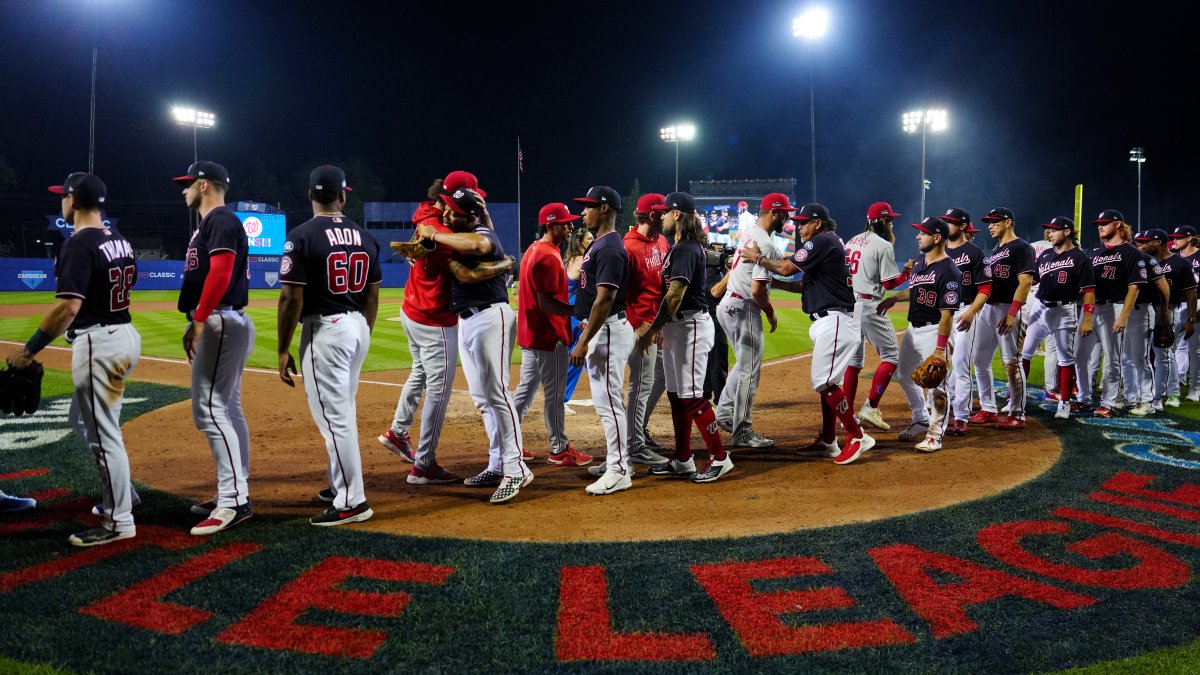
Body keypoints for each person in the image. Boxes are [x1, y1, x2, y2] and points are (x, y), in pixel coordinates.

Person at [6, 172, 140, 545]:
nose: (59, 201)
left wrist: (28, 350)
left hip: (99, 341)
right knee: (80, 420)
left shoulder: (79, 244)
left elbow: (67, 308)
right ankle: (125, 493)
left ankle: (119, 521)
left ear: (72, 200)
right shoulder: (120, 241)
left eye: (61, 196)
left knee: (103, 436)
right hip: (124, 334)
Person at [380, 171, 509, 475]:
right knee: (439, 392)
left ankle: (398, 432)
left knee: (420, 371)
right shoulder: (447, 236)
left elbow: (431, 225)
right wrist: (505, 263)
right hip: (435, 317)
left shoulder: (427, 212)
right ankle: (424, 464)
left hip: (411, 308)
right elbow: (470, 265)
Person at [276, 165, 381, 525]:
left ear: (309, 195)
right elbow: (372, 295)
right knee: (343, 412)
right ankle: (341, 486)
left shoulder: (301, 235)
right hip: (355, 327)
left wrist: (281, 348)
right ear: (343, 196)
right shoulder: (364, 236)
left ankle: (353, 501)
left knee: (335, 420)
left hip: (325, 329)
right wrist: (362, 331)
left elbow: (291, 299)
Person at [416, 186, 526, 504]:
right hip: (467, 320)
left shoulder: (481, 232)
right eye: (446, 210)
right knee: (482, 399)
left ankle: (516, 469)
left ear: (470, 216)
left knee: (498, 394)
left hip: (491, 317)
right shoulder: (458, 229)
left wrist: (434, 237)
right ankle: (497, 464)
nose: (446, 215)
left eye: (453, 212)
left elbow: (479, 244)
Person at [744, 203, 874, 464]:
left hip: (835, 319)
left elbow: (786, 268)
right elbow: (803, 284)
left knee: (823, 382)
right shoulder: (830, 242)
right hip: (834, 319)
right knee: (827, 382)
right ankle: (828, 440)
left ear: (818, 223)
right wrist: (776, 283)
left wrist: (757, 259)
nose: (799, 227)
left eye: (804, 222)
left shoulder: (822, 240)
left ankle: (857, 435)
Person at [174, 161, 256, 536]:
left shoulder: (220, 220)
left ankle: (233, 501)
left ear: (204, 185)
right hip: (224, 318)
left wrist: (199, 320)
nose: (183, 190)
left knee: (208, 411)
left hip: (220, 319)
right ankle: (236, 489)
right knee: (227, 408)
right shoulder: (214, 222)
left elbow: (220, 272)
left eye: (188, 184)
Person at [637, 191, 731, 482]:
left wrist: (652, 329)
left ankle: (720, 457)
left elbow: (676, 295)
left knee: (692, 396)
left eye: (665, 212)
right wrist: (663, 327)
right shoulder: (681, 246)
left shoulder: (687, 248)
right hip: (677, 328)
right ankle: (682, 458)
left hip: (690, 326)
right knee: (678, 396)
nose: (661, 216)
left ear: (677, 214)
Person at [511, 203, 593, 466]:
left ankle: (507, 441)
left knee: (525, 391)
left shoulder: (534, 250)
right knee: (555, 395)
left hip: (530, 335)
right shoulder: (548, 256)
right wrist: (575, 309)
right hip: (547, 335)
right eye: (565, 223)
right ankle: (559, 448)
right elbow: (546, 303)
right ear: (550, 225)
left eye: (570, 223)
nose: (570, 227)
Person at [714, 193, 796, 448]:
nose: (788, 218)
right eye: (785, 213)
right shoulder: (767, 245)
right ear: (775, 213)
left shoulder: (749, 232)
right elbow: (758, 290)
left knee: (742, 365)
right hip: (744, 308)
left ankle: (725, 413)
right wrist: (770, 313)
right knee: (750, 371)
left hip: (727, 304)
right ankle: (743, 431)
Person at [570, 186, 637, 495]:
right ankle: (618, 460)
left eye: (589, 207)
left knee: (608, 402)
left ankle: (619, 469)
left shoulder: (609, 247)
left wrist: (583, 340)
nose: (584, 212)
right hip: (604, 329)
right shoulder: (600, 244)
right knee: (608, 401)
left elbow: (605, 299)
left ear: (605, 209)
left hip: (606, 330)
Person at [875, 217, 962, 451]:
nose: (917, 236)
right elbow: (916, 292)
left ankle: (935, 434)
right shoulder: (922, 262)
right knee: (904, 374)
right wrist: (894, 298)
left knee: (937, 385)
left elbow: (947, 314)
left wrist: (940, 349)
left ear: (937, 238)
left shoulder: (950, 271)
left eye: (923, 232)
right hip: (914, 329)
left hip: (936, 330)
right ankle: (921, 418)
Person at [957, 207, 1036, 430]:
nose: (990, 225)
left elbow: (1025, 282)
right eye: (989, 222)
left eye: (994, 222)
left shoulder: (1022, 247)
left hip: (1008, 308)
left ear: (1008, 222)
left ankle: (1017, 413)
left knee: (1011, 362)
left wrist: (1012, 313)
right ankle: (988, 408)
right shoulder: (997, 247)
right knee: (980, 360)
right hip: (989, 309)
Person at [843, 201, 910, 432]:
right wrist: (906, 274)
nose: (891, 223)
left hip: (850, 305)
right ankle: (871, 407)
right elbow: (889, 283)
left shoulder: (852, 240)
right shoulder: (883, 245)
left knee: (853, 362)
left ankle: (848, 415)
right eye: (889, 220)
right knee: (892, 356)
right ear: (881, 221)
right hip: (870, 304)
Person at [1075, 210, 1146, 417]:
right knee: (1079, 355)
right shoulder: (1094, 250)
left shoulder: (1131, 252)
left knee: (1112, 359)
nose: (1100, 226)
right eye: (1098, 223)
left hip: (1114, 307)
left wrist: (1123, 316)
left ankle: (1108, 402)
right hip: (1090, 308)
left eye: (1104, 223)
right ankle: (1084, 398)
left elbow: (1134, 287)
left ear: (1117, 225)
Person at [622, 193, 671, 465]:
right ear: (651, 216)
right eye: (662, 213)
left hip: (656, 323)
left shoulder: (662, 241)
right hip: (638, 327)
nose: (666, 216)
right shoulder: (628, 247)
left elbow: (663, 287)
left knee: (661, 378)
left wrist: (660, 322)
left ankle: (638, 431)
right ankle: (634, 445)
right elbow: (619, 294)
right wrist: (640, 325)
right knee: (640, 385)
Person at [1031, 217, 1095, 420]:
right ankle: (1016, 400)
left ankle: (1064, 402)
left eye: (1054, 230)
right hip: (1040, 307)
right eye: (1049, 230)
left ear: (1067, 232)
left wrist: (1087, 318)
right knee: (1024, 354)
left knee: (1065, 357)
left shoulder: (1080, 258)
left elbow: (1089, 290)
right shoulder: (1046, 255)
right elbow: (1033, 279)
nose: (1050, 234)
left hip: (1064, 310)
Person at [941, 208, 986, 436]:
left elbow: (985, 289)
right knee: (941, 364)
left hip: (965, 310)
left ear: (962, 226)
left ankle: (961, 416)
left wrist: (971, 313)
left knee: (960, 364)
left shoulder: (974, 252)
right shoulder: (939, 251)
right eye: (945, 221)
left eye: (950, 222)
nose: (946, 224)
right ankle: (943, 411)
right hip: (944, 313)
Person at [1137, 229, 1193, 411]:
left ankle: (1168, 395)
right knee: (1149, 356)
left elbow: (1191, 292)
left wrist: (1190, 319)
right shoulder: (1144, 262)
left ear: (1159, 242)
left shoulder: (1180, 263)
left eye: (1147, 242)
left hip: (1168, 310)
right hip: (1146, 309)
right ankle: (1153, 393)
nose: (1143, 245)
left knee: (1165, 355)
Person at [562, 226, 594, 415]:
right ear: (580, 242)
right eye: (589, 239)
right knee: (578, 357)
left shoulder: (570, 259)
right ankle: (562, 399)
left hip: (570, 311)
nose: (592, 241)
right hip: (577, 313)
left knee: (587, 355)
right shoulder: (582, 260)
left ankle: (603, 393)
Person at [1169, 225, 1200, 400]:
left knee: (1195, 349)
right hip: (1176, 304)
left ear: (1189, 238)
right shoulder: (1175, 257)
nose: (1175, 240)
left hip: (1196, 303)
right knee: (1172, 346)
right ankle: (1178, 380)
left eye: (1179, 237)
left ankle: (1196, 388)